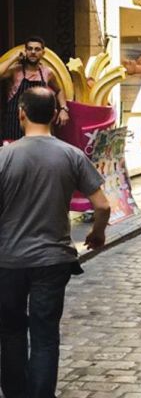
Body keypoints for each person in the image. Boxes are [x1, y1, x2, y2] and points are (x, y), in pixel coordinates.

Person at [0, 87, 111, 397]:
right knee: (45, 335)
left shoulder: (3, 156)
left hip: (8, 260)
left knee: (10, 333)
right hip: (53, 260)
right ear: (54, 114)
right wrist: (97, 233)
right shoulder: (70, 155)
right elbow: (102, 205)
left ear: (21, 113)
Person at [0, 37, 70, 144]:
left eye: (37, 49)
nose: (33, 52)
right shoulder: (15, 71)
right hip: (14, 126)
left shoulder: (48, 73)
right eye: (30, 49)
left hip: (39, 128)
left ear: (43, 52)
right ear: (25, 51)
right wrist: (13, 58)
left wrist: (64, 109)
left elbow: (59, 90)